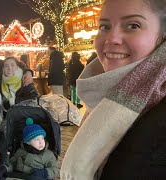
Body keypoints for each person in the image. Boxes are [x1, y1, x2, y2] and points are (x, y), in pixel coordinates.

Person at [60, 0, 166, 179]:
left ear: (163, 36)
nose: (111, 39)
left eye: (133, 25)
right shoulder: (103, 96)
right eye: (104, 26)